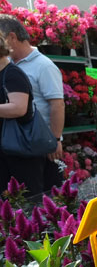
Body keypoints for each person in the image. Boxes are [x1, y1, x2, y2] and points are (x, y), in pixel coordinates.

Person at [0, 15, 64, 190]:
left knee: (38, 191)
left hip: (37, 140)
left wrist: (55, 139)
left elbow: (57, 104)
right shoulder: (10, 65)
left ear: (12, 37)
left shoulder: (43, 65)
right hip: (17, 140)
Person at [0, 30, 45, 197]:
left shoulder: (12, 74)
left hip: (19, 151)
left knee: (27, 201)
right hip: (6, 151)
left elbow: (19, 108)